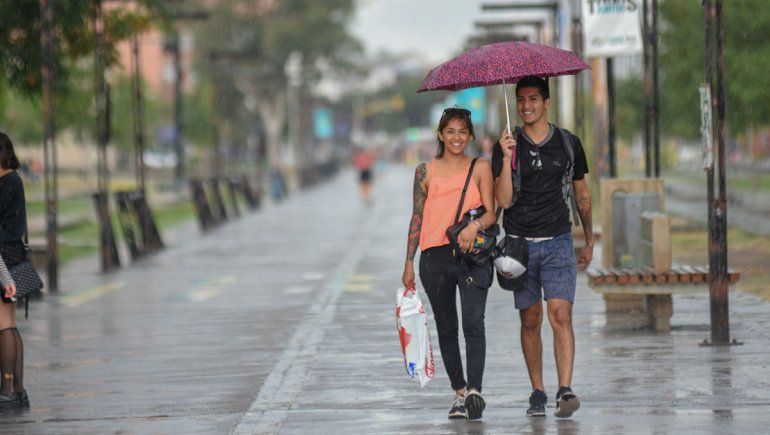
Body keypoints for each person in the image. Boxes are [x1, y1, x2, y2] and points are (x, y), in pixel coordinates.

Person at [491, 76, 594, 418]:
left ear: (546, 102)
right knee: (531, 318)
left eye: (533, 98)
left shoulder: (568, 143)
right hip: (519, 244)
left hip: (558, 241)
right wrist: (506, 159)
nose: (526, 105)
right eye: (521, 99)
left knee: (560, 314)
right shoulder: (506, 145)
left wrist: (590, 239)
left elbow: (581, 194)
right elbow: (502, 200)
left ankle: (565, 390)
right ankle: (538, 390)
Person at [402, 108, 496, 421]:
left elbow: (492, 213)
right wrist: (408, 262)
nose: (457, 137)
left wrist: (475, 226)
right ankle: (459, 392)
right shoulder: (424, 172)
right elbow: (417, 217)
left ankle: (475, 392)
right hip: (434, 257)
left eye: (463, 132)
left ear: (470, 135)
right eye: (450, 131)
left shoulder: (480, 167)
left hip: (472, 254)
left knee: (473, 322)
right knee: (446, 326)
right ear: (441, 135)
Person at [0, 132, 30, 408]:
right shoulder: (14, 181)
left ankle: (7, 388)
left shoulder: (6, 183)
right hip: (14, 255)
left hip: (4, 258)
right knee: (11, 324)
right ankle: (17, 388)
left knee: (4, 325)